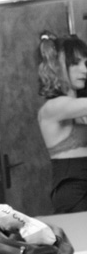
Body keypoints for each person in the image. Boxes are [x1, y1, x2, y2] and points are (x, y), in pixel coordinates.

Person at [36, 31, 87, 213]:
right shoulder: (52, 108)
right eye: (75, 63)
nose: (84, 70)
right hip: (73, 190)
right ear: (57, 67)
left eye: (85, 63)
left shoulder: (79, 108)